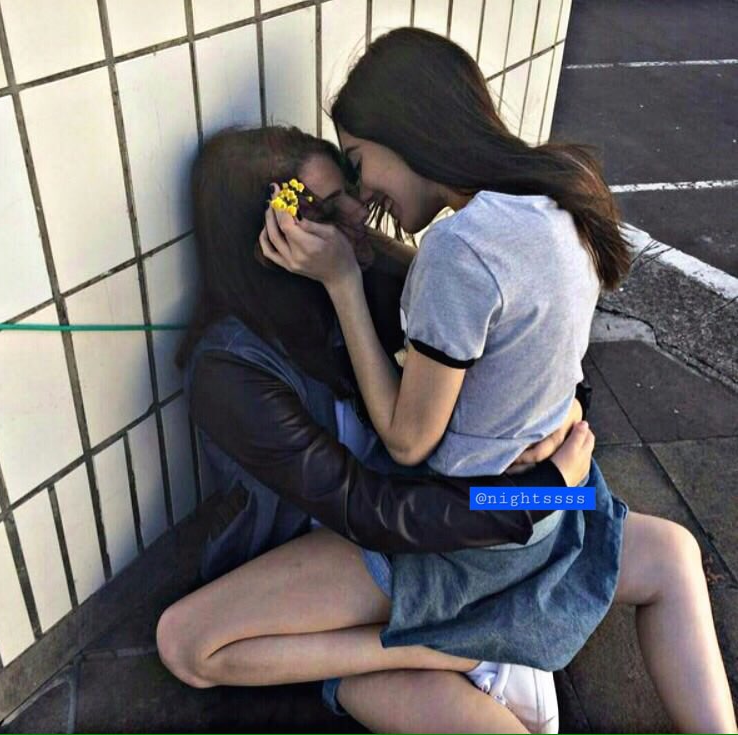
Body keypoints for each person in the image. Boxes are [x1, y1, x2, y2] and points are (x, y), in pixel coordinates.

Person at [257, 28, 737, 733]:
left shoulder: (459, 250)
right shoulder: (560, 194)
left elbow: (409, 440)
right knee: (673, 553)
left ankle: (483, 644)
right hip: (552, 497)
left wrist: (341, 283)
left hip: (479, 520)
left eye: (358, 164)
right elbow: (512, 319)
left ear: (406, 131)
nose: (363, 191)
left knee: (280, 653)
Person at [156, 125, 594, 734]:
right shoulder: (232, 369)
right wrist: (535, 496)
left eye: (352, 188)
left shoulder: (368, 275)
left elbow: (523, 350)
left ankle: (464, 644)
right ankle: (461, 647)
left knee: (185, 641)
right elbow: (366, 508)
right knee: (182, 640)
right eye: (331, 207)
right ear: (276, 237)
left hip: (425, 526)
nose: (361, 213)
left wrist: (563, 430)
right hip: (384, 526)